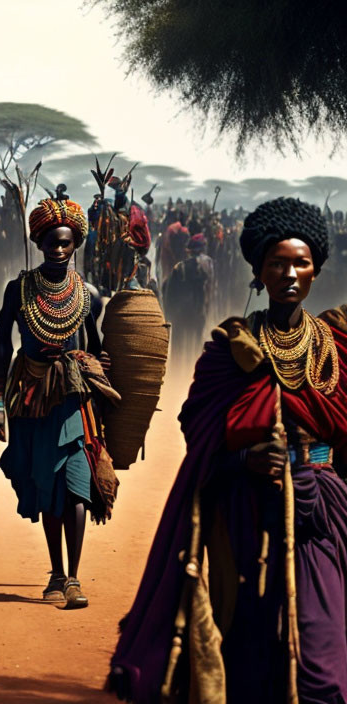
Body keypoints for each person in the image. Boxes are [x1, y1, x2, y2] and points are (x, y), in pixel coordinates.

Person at [109, 197, 347, 702]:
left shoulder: (337, 349)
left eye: (300, 263)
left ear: (315, 272)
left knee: (322, 667)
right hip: (247, 521)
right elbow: (200, 439)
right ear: (259, 271)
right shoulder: (226, 355)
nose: (288, 273)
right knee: (252, 656)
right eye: (276, 263)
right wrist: (246, 460)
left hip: (322, 516)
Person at [0, 194, 119, 608]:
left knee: (78, 487)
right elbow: (0, 346)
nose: (59, 250)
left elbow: (98, 346)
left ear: (76, 244)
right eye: (51, 243)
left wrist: (104, 368)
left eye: (66, 243)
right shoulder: (19, 289)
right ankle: (57, 572)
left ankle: (75, 579)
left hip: (75, 399)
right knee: (48, 486)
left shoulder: (90, 295)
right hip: (32, 400)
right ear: (39, 243)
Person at [163, 233, 215, 371]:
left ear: (189, 251)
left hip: (181, 312)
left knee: (179, 345)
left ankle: (177, 372)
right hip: (199, 310)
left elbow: (168, 292)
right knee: (196, 344)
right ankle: (193, 371)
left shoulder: (179, 268)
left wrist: (169, 315)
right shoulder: (208, 264)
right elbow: (209, 289)